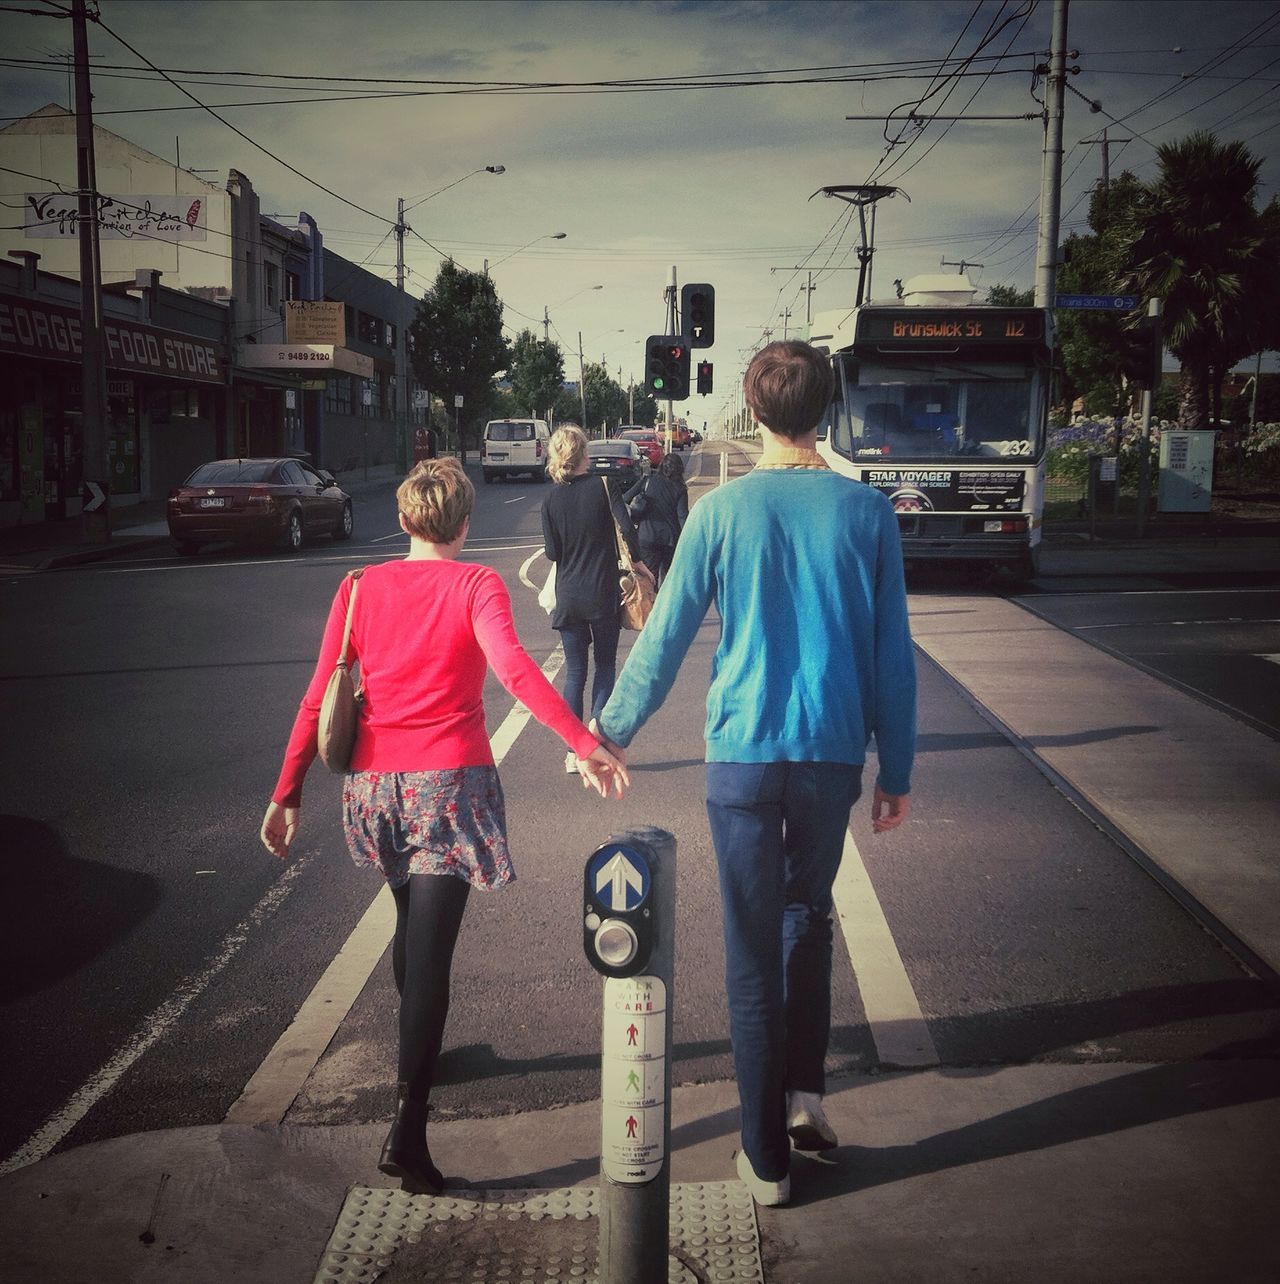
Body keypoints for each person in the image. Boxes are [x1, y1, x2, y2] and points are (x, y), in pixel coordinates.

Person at [594, 341, 916, 1209]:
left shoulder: (722, 512)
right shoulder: (867, 514)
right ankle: (806, 1098)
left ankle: (765, 1157)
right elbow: (893, 655)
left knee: (749, 944)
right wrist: (901, 766)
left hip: (740, 753)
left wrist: (611, 731)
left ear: (755, 408)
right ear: (828, 407)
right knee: (808, 919)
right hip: (831, 754)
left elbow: (662, 638)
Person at [260, 457, 628, 1192]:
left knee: (410, 926)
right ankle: (409, 1130)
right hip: (447, 787)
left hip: (373, 791)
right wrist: (583, 742)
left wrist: (286, 791)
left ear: (402, 521)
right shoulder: (474, 583)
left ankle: (417, 1046)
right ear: (464, 525)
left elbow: (317, 693)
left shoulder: (359, 587)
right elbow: (517, 671)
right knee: (431, 958)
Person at [541, 425, 653, 776]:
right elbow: (627, 532)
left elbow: (552, 552)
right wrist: (640, 565)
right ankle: (597, 740)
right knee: (605, 666)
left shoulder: (550, 500)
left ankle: (576, 751)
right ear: (583, 455)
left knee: (576, 672)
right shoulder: (604, 487)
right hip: (603, 592)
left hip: (569, 595)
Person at [623, 450, 689, 587]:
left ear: (661, 466)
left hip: (646, 536)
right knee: (669, 582)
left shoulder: (648, 480)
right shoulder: (680, 489)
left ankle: (650, 606)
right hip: (669, 540)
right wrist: (689, 541)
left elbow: (625, 498)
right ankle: (665, 606)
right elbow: (682, 516)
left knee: (649, 579)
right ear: (680, 470)